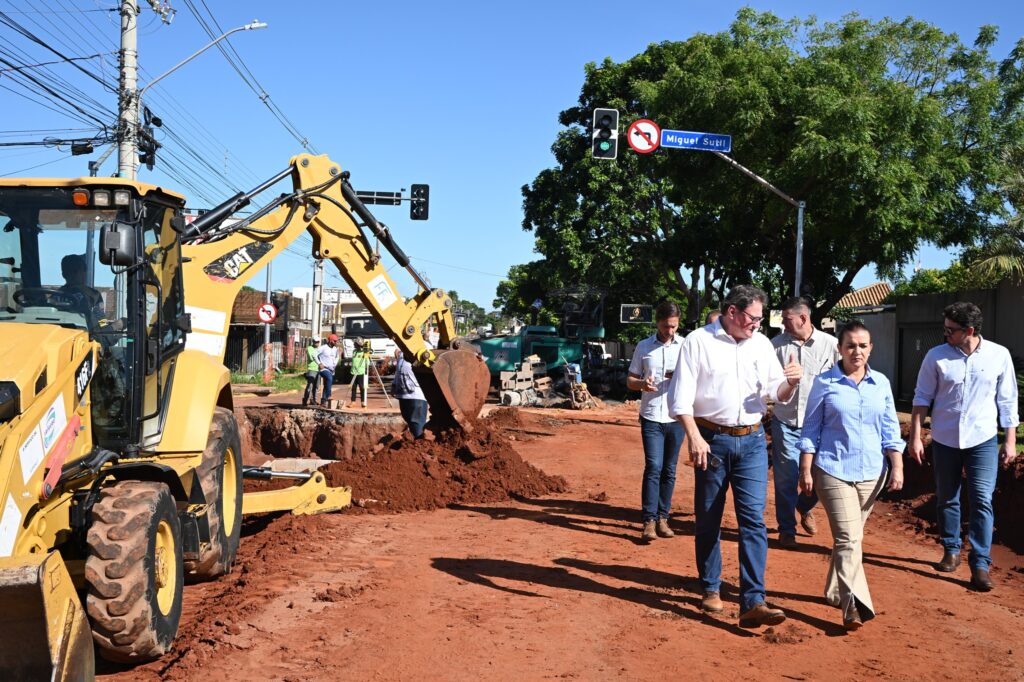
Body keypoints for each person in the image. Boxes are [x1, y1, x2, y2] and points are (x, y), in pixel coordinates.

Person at [668, 285, 801, 628]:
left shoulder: (761, 344)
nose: (758, 324)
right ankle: (711, 587)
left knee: (753, 520)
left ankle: (753, 600)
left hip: (753, 441)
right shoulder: (698, 341)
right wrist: (694, 437)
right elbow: (679, 398)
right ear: (732, 312)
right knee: (709, 517)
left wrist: (791, 383)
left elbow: (776, 392)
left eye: (760, 319)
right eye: (753, 318)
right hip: (711, 440)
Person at [797, 320, 905, 631]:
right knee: (848, 537)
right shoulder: (824, 383)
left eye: (863, 345)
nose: (857, 351)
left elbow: (890, 429)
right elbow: (810, 430)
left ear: (871, 348)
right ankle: (853, 604)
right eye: (850, 346)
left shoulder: (881, 383)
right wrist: (806, 469)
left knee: (851, 537)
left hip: (872, 473)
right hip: (833, 469)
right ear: (840, 349)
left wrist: (897, 466)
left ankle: (834, 590)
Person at [908, 302, 1019, 591]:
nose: (945, 334)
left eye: (950, 330)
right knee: (947, 497)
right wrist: (915, 436)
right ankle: (951, 549)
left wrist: (1010, 440)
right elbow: (921, 398)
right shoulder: (936, 356)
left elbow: (1008, 401)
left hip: (982, 439)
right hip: (945, 439)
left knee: (982, 499)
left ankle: (980, 563)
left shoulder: (998, 355)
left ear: (969, 331)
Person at [771, 296, 839, 547]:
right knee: (786, 478)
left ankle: (804, 505)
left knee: (822, 476)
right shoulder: (775, 346)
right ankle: (786, 529)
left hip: (821, 425)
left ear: (803, 318)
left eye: (787, 319)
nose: (783, 324)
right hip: (786, 421)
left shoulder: (831, 345)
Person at [626, 301, 685, 542]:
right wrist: (642, 384)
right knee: (653, 466)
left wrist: (678, 376)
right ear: (657, 323)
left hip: (676, 417)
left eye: (673, 326)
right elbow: (630, 380)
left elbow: (698, 377)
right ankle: (649, 520)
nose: (669, 331)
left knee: (669, 469)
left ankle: (663, 518)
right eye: (665, 326)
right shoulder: (644, 346)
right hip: (651, 415)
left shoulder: (686, 346)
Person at [392, 348, 428, 438]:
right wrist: (394, 385)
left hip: (417, 395)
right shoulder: (402, 353)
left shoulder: (423, 348)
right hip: (403, 395)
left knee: (417, 423)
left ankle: (419, 443)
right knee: (409, 420)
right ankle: (414, 442)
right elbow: (398, 370)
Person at [316, 334, 340, 407]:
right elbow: (314, 354)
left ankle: (323, 401)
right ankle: (329, 395)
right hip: (324, 369)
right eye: (334, 341)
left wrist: (334, 364)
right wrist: (319, 363)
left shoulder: (335, 349)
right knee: (329, 378)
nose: (336, 342)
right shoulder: (323, 348)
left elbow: (337, 357)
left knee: (326, 384)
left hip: (331, 369)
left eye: (336, 341)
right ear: (330, 340)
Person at [350, 337, 371, 408]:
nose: (354, 344)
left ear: (358, 345)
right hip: (353, 372)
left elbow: (368, 363)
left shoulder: (364, 352)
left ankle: (363, 401)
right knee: (353, 388)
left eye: (355, 343)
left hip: (361, 372)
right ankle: (353, 402)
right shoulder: (354, 351)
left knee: (362, 387)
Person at [302, 338, 321, 407]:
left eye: (318, 342)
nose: (317, 343)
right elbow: (311, 357)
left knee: (316, 386)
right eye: (315, 342)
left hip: (319, 369)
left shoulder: (319, 349)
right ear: (313, 342)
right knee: (310, 385)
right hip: (312, 369)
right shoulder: (310, 348)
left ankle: (313, 400)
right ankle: (305, 399)